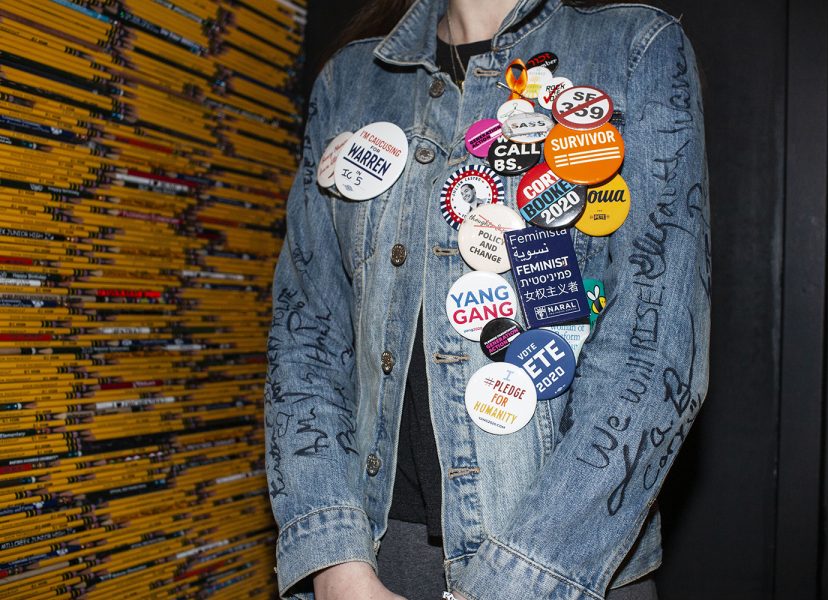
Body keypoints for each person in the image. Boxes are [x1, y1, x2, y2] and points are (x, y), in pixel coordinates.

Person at [264, 1, 710, 599]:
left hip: (570, 571)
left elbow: (654, 353)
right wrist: (335, 564)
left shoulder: (634, 48)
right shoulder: (350, 80)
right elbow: (307, 337)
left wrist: (518, 582)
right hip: (372, 564)